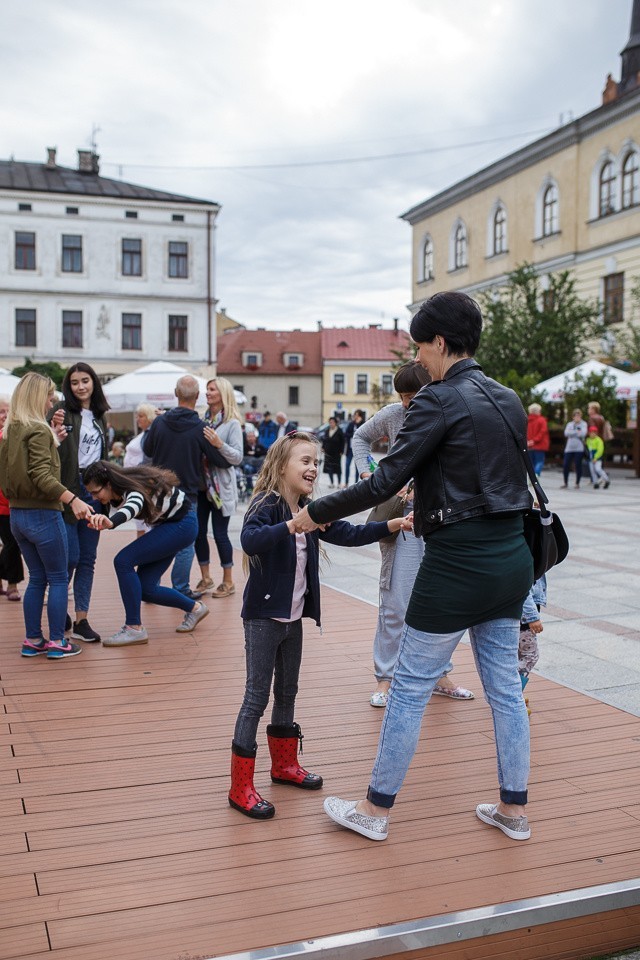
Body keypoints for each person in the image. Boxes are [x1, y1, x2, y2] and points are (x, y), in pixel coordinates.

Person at [293, 291, 534, 842]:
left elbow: (381, 482)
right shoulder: (509, 399)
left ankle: (374, 812)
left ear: (441, 343)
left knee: (408, 687)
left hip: (456, 564)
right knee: (503, 690)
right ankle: (513, 812)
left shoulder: (436, 399)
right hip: (510, 561)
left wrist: (314, 513)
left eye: (421, 346)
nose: (419, 357)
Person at [229, 432, 412, 820]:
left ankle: (283, 766)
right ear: (281, 467)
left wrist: (393, 523)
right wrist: (294, 526)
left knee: (288, 692)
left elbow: (348, 533)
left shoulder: (310, 510)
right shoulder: (267, 504)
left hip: (292, 620)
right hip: (263, 620)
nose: (313, 468)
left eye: (316, 462)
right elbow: (250, 539)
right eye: (305, 461)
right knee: (255, 697)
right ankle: (240, 786)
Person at [353, 362, 474, 708]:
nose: (406, 402)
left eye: (413, 395)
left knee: (440, 599)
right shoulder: (394, 415)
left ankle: (439, 672)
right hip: (400, 520)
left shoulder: (446, 411)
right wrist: (368, 472)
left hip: (440, 519)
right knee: (395, 600)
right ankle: (386, 677)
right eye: (402, 396)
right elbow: (360, 436)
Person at [0, 372, 93, 659]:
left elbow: (21, 469)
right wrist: (73, 499)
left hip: (17, 515)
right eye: (49, 396)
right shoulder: (37, 430)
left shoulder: (10, 430)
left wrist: (52, 440)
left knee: (37, 578)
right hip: (43, 514)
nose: (52, 401)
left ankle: (33, 640)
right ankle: (57, 641)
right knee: (57, 578)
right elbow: (41, 475)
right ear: (37, 397)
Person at [84, 460, 209, 646]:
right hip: (172, 525)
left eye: (96, 492)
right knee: (146, 588)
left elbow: (133, 505)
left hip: (182, 524)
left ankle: (134, 628)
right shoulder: (117, 491)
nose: (94, 497)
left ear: (109, 484)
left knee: (123, 560)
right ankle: (195, 608)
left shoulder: (131, 488)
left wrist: (112, 522)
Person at [142, 375, 230, 600]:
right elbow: (219, 460)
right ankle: (181, 589)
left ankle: (148, 584)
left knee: (157, 537)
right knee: (184, 544)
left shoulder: (159, 422)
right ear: (198, 396)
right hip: (188, 494)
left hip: (160, 492)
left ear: (175, 393)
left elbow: (149, 450)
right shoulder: (200, 428)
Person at [51, 362, 110, 643]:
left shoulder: (100, 415)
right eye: (75, 382)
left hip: (94, 491)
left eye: (85, 380)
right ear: (68, 386)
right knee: (70, 556)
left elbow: (103, 455)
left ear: (93, 382)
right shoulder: (61, 411)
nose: (81, 386)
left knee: (88, 559)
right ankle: (58, 608)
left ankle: (82, 619)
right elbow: (51, 449)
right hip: (68, 491)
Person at [195, 377, 243, 598]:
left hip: (221, 489)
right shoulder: (203, 420)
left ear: (223, 393)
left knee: (221, 534)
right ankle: (206, 578)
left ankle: (228, 581)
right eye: (207, 389)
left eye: (212, 389)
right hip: (202, 487)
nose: (207, 392)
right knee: (198, 533)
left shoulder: (231, 423)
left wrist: (218, 444)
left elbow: (238, 457)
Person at [0, 395, 24, 601]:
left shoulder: (15, 435)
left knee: (12, 543)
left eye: (8, 411)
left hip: (10, 501)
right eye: (1, 411)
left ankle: (13, 583)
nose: (4, 415)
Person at [124, 403, 157, 537]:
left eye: (141, 416)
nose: (138, 418)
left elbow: (149, 458)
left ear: (149, 417)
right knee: (140, 521)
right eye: (137, 416)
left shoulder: (150, 434)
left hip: (140, 481)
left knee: (144, 520)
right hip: (135, 480)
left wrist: (135, 474)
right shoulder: (145, 434)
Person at [519, 575, 547, 711]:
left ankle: (513, 694)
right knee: (530, 656)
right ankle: (513, 696)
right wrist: (532, 618)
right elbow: (522, 587)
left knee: (515, 657)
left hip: (519, 618)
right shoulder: (528, 556)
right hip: (524, 621)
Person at [562, 408, 588, 489]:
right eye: (575, 416)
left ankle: (577, 483)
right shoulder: (569, 424)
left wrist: (572, 433)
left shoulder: (584, 424)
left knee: (578, 465)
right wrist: (576, 432)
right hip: (569, 448)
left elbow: (583, 434)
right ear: (573, 417)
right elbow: (566, 433)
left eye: (579, 416)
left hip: (579, 448)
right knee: (566, 465)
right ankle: (565, 482)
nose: (577, 417)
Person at [526, 403, 549, 476]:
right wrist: (534, 440)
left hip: (529, 445)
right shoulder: (541, 420)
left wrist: (529, 442)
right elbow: (542, 432)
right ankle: (536, 474)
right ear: (538, 411)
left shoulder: (527, 420)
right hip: (539, 445)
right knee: (539, 461)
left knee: (531, 463)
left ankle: (532, 477)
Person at [343, 410, 365, 486]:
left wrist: (359, 423)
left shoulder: (363, 424)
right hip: (350, 449)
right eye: (355, 415)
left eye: (357, 415)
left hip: (358, 450)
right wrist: (353, 434)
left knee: (357, 468)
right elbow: (346, 434)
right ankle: (346, 482)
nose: (355, 417)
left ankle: (356, 483)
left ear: (360, 416)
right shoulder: (351, 424)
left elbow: (364, 434)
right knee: (347, 465)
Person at [322, 416, 344, 488]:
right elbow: (324, 440)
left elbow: (343, 442)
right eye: (330, 422)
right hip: (328, 452)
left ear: (335, 423)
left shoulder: (339, 431)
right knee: (329, 468)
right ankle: (331, 483)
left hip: (337, 453)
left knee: (338, 468)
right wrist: (323, 447)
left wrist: (342, 451)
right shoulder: (327, 430)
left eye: (332, 422)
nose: (331, 424)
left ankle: (339, 483)